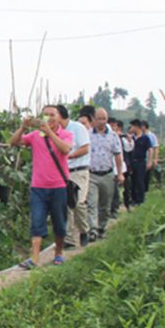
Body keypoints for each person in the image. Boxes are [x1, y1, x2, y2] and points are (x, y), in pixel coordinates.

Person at [9, 105, 73, 268]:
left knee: (59, 222)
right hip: (38, 187)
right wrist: (23, 128)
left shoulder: (66, 135)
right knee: (37, 222)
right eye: (45, 115)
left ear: (59, 117)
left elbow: (65, 149)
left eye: (52, 114)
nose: (49, 118)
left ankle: (58, 253)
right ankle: (34, 258)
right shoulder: (35, 135)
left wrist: (50, 133)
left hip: (59, 186)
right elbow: (13, 142)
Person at [86, 108, 123, 241]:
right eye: (99, 119)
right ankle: (93, 229)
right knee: (91, 203)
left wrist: (120, 174)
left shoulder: (113, 136)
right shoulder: (88, 135)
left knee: (105, 205)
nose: (101, 121)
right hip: (92, 174)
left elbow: (118, 156)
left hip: (107, 174)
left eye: (104, 119)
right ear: (93, 119)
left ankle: (101, 227)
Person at [56, 105, 90, 249]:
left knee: (78, 202)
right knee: (66, 205)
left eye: (53, 115)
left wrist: (69, 156)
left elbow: (85, 148)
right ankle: (69, 239)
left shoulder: (78, 128)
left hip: (78, 171)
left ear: (60, 116)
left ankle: (84, 230)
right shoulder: (53, 132)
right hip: (62, 172)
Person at [128, 119, 153, 205]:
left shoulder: (145, 138)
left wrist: (150, 161)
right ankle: (133, 199)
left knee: (140, 181)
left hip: (141, 162)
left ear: (137, 127)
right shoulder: (131, 138)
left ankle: (141, 200)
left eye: (132, 126)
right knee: (133, 181)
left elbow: (150, 150)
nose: (131, 128)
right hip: (132, 162)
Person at [141, 120, 160, 191]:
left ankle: (145, 189)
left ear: (144, 126)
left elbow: (156, 148)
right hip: (141, 158)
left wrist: (155, 159)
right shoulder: (140, 135)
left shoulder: (151, 136)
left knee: (147, 174)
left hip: (149, 158)